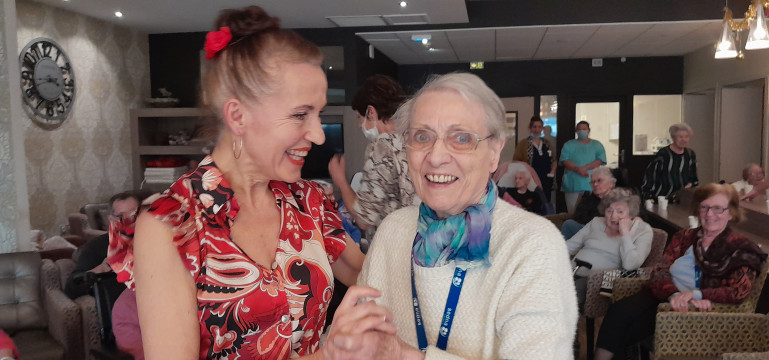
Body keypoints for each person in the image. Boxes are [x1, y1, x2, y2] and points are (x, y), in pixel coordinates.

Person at [107, 7, 367, 359]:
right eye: (300, 114)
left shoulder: (307, 200)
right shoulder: (172, 224)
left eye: (318, 114)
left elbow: (367, 274)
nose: (318, 134)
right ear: (238, 116)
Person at [325, 73, 578, 359]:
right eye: (422, 136)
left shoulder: (532, 245)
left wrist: (402, 354)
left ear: (494, 152)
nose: (435, 156)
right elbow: (357, 339)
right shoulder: (393, 231)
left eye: (461, 138)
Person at [594, 183, 767, 360]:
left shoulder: (741, 248)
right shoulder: (686, 237)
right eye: (704, 207)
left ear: (730, 213)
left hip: (692, 310)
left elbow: (738, 291)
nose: (709, 214)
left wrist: (697, 295)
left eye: (718, 209)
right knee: (618, 312)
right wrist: (673, 294)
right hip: (665, 294)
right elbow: (660, 271)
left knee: (626, 332)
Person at [328, 74, 415, 247]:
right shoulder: (414, 137)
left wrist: (341, 182)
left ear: (371, 111)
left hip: (395, 247)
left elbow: (363, 218)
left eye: (359, 117)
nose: (360, 125)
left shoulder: (382, 145)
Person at [566, 188, 653, 308]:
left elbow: (631, 264)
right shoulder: (596, 222)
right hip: (570, 271)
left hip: (596, 281)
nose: (613, 216)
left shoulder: (642, 231)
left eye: (620, 212)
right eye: (609, 211)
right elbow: (569, 246)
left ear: (631, 214)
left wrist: (625, 234)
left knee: (560, 300)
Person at [65, 191, 140, 299]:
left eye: (134, 215)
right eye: (121, 217)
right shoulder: (97, 246)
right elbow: (71, 288)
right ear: (111, 220)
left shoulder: (154, 242)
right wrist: (100, 269)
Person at [641, 123, 699, 201]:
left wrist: (690, 184)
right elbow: (651, 175)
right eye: (680, 137)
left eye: (686, 137)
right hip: (662, 198)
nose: (684, 140)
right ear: (673, 138)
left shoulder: (690, 154)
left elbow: (693, 178)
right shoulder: (664, 154)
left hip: (682, 198)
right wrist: (648, 196)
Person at [560, 121, 607, 214]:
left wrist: (585, 168)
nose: (582, 131)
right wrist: (578, 169)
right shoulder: (569, 145)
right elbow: (565, 160)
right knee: (573, 212)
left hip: (591, 184)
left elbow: (600, 160)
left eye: (584, 129)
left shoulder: (597, 145)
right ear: (576, 131)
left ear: (589, 130)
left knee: (592, 213)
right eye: (579, 129)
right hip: (573, 183)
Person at [560, 166, 617, 239]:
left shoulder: (618, 198)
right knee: (569, 224)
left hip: (607, 235)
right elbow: (578, 217)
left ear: (611, 183)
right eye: (593, 182)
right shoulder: (589, 197)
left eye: (599, 180)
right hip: (587, 231)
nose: (595, 184)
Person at [513, 116, 557, 201]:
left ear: (542, 128)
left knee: (545, 204)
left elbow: (554, 160)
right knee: (532, 204)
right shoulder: (523, 144)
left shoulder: (547, 143)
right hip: (530, 180)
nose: (537, 129)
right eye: (534, 127)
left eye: (539, 127)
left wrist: (552, 173)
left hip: (546, 180)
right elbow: (516, 162)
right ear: (530, 128)